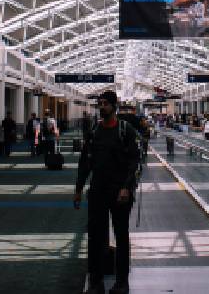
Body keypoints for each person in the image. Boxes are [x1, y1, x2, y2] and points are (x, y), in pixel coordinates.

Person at [74, 91, 140, 294]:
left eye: (105, 104)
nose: (101, 107)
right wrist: (78, 189)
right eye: (100, 104)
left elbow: (135, 162)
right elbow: (85, 162)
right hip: (98, 191)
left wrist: (126, 187)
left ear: (114, 106)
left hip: (120, 193)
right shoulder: (94, 131)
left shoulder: (125, 130)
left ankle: (122, 282)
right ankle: (96, 282)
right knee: (95, 237)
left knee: (121, 236)